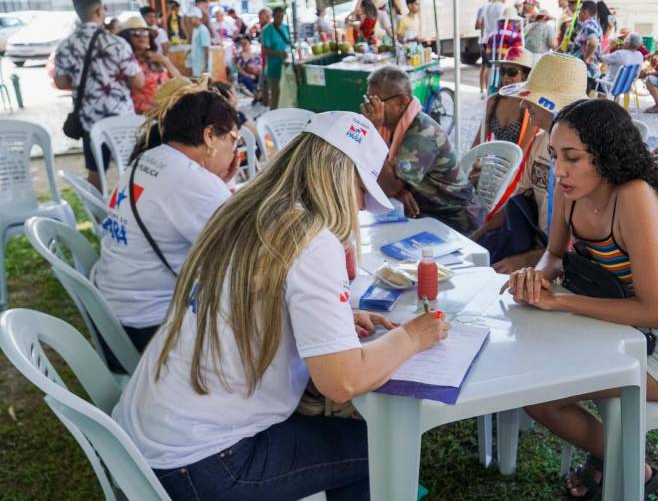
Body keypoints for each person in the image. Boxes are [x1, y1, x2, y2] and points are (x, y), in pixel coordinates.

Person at [112, 111, 449, 500]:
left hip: (147, 439)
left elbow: (250, 299)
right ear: (343, 179)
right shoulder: (311, 238)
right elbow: (342, 381)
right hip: (200, 463)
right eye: (361, 193)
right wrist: (412, 336)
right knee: (377, 449)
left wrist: (336, 320)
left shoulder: (243, 209)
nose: (358, 207)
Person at [504, 99, 658, 500]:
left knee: (542, 399)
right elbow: (556, 254)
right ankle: (611, 457)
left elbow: (654, 312)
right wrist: (537, 276)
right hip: (614, 333)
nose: (559, 170)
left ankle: (634, 467)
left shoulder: (633, 197)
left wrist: (559, 302)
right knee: (532, 375)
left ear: (606, 154)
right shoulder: (571, 191)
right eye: (555, 155)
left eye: (573, 158)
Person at [93, 90, 240, 353]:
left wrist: (216, 184)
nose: (234, 150)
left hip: (111, 319)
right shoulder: (194, 182)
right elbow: (246, 254)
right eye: (233, 139)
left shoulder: (149, 158)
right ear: (210, 136)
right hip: (150, 331)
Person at [472, 52, 589, 274]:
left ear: (555, 105)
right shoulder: (538, 145)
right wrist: (478, 234)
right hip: (541, 249)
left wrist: (529, 259)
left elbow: (583, 240)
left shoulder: (588, 156)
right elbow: (519, 198)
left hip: (568, 264)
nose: (524, 104)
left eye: (532, 98)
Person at [360, 66, 483, 234]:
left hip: (453, 218)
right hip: (424, 210)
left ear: (402, 102)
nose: (369, 108)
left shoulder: (422, 133)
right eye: (368, 100)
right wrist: (399, 191)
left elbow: (388, 187)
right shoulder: (391, 127)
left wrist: (370, 133)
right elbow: (367, 175)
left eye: (376, 102)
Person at [54, 0, 144, 191]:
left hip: (89, 120)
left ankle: (98, 217)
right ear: (98, 10)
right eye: (104, 8)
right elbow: (138, 81)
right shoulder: (116, 43)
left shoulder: (65, 46)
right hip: (121, 119)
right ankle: (131, 212)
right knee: (132, 171)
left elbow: (60, 83)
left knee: (96, 172)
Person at [471, 48, 535, 148]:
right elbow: (480, 136)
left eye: (512, 72)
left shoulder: (531, 106)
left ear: (524, 75)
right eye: (502, 71)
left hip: (520, 162)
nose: (505, 76)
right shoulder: (493, 101)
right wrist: (470, 158)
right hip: (496, 160)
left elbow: (524, 149)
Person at [118, 16, 181, 115]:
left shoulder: (156, 57)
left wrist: (166, 61)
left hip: (168, 110)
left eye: (145, 33)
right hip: (145, 115)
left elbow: (179, 80)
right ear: (127, 38)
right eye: (136, 34)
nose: (141, 37)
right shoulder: (127, 62)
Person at [260, 6, 291, 110]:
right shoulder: (267, 30)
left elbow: (289, 44)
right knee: (275, 94)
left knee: (286, 93)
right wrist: (280, 54)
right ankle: (273, 114)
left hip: (286, 64)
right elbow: (266, 50)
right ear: (273, 16)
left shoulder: (285, 27)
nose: (280, 19)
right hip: (274, 67)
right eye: (278, 16)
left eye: (282, 16)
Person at [568, 0, 602, 89]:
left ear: (585, 12)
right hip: (583, 71)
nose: (578, 14)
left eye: (580, 11)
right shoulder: (594, 24)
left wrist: (586, 58)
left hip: (583, 72)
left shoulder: (589, 25)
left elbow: (593, 42)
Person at [476, 0, 497, 98]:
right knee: (489, 66)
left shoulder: (482, 7)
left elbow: (477, 25)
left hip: (482, 40)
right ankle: (488, 92)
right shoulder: (491, 8)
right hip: (488, 40)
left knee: (484, 66)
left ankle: (481, 91)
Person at [187, 7, 211, 78]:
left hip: (202, 67)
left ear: (196, 18)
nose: (190, 20)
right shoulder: (195, 29)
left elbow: (206, 49)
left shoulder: (203, 30)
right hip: (196, 66)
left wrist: (206, 66)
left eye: (191, 18)